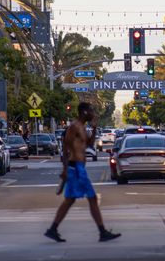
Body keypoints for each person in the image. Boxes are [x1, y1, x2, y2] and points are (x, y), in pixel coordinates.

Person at [44, 102, 120, 243]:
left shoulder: (83, 128)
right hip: (75, 168)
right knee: (91, 198)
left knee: (70, 200)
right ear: (84, 112)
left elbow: (90, 145)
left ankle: (52, 229)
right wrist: (65, 169)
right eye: (91, 110)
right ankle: (102, 232)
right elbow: (66, 148)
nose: (93, 113)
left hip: (79, 167)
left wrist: (95, 127)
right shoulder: (74, 127)